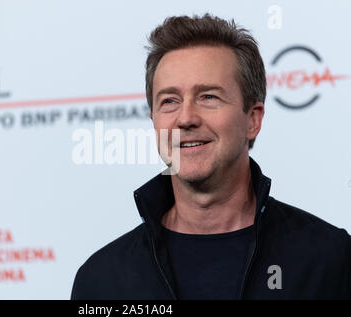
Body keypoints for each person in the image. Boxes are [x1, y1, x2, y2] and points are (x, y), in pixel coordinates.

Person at [71, 13, 351, 299]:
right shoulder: (102, 279)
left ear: (252, 120)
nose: (186, 118)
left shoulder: (328, 260)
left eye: (208, 97)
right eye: (169, 101)